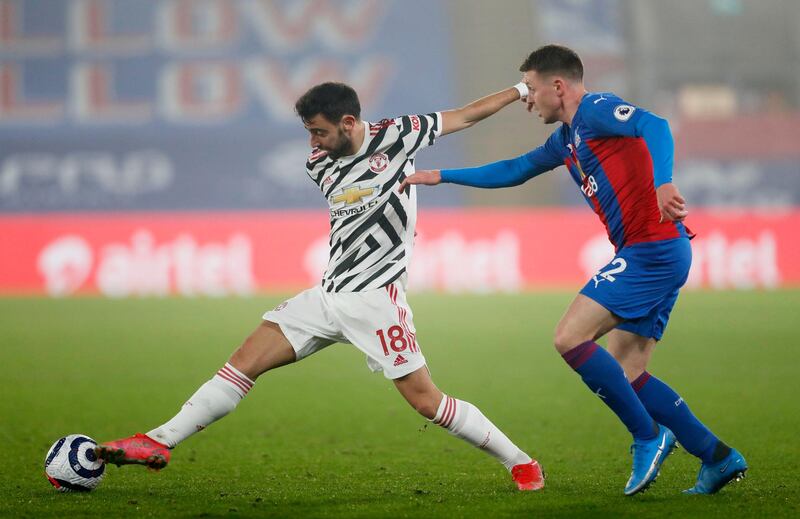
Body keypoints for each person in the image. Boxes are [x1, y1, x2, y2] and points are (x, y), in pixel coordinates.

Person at [95, 82, 545, 491]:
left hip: (375, 299)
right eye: (309, 133)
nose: (313, 143)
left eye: (319, 131)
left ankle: (521, 462)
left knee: (427, 402)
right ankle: (159, 440)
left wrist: (520, 89)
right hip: (328, 296)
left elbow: (466, 114)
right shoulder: (320, 164)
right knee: (242, 363)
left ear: (349, 123)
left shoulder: (400, 133)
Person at [399, 45, 747, 496]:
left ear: (557, 86)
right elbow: (516, 169)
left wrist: (663, 181)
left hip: (652, 249)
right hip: (657, 250)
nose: (526, 98)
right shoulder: (565, 139)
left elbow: (654, 125)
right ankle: (717, 457)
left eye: (530, 87)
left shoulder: (596, 110)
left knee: (569, 337)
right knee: (628, 371)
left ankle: (648, 436)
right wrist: (441, 175)